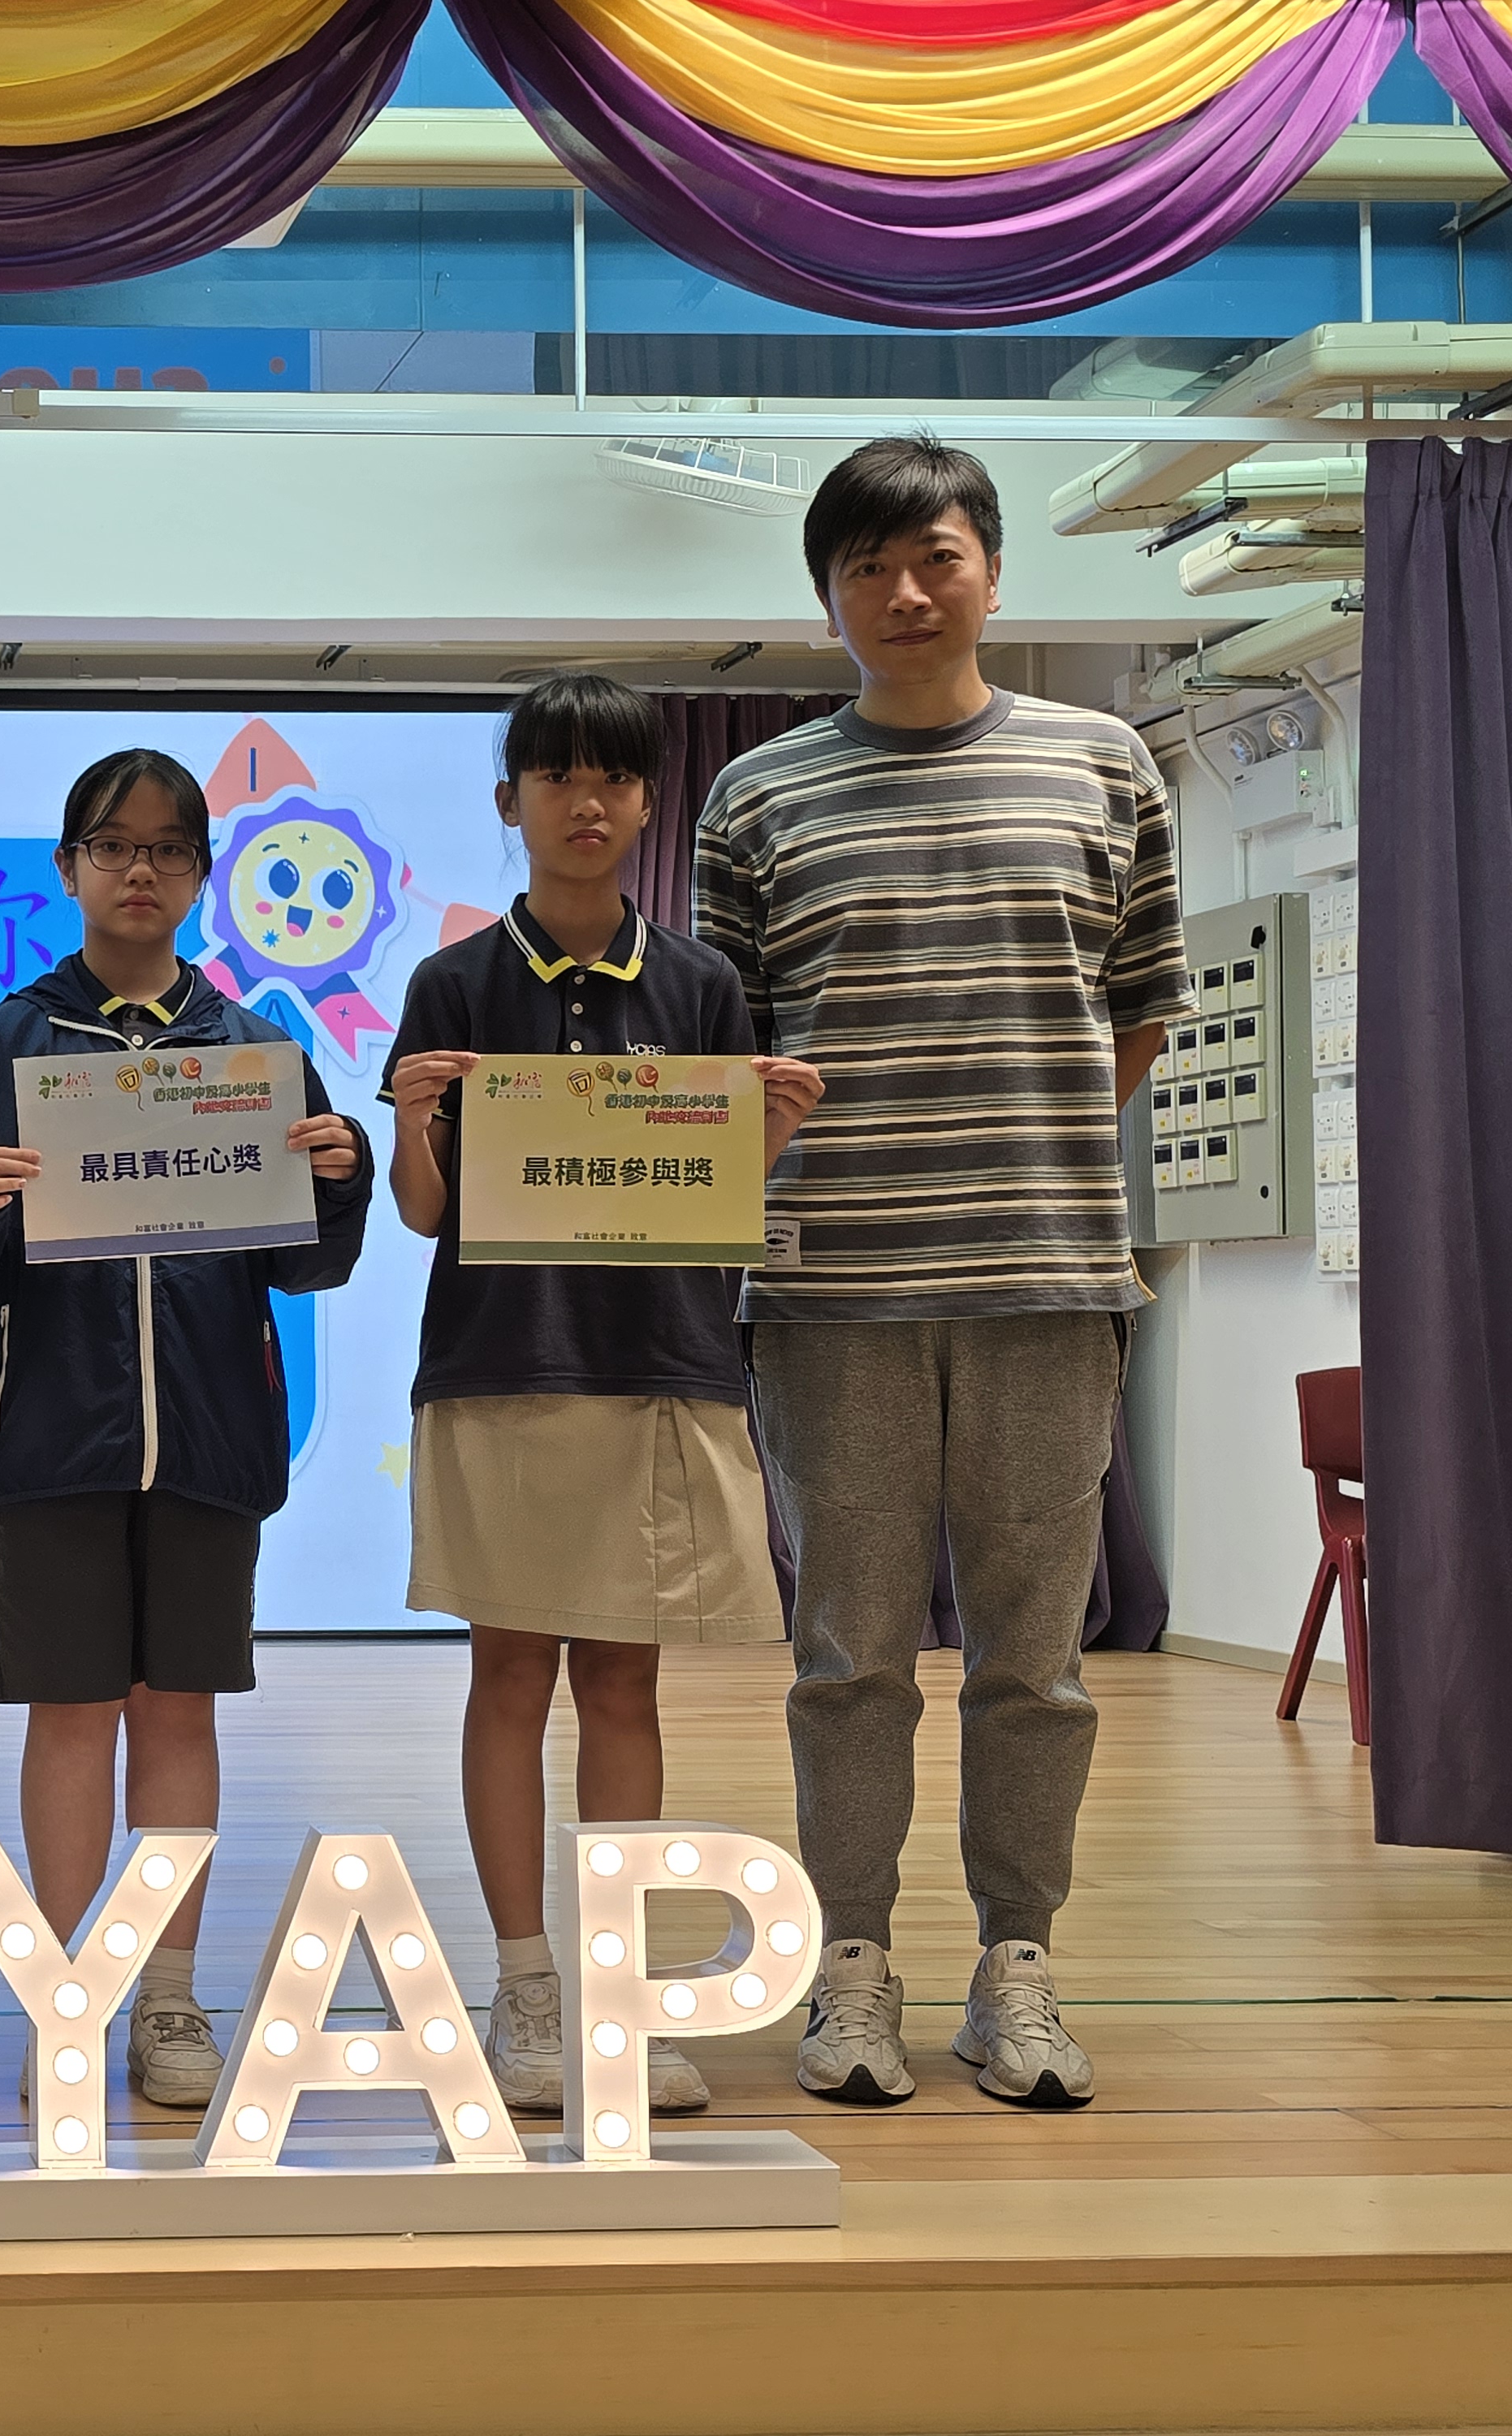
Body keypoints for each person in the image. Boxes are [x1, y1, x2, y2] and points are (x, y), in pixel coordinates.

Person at [696, 435, 1191, 2110]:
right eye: (867, 568)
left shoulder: (1104, 765)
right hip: (825, 1293)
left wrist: (1015, 1149)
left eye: (936, 558)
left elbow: (1136, 1013)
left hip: (1049, 1286)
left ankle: (1015, 1971)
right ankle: (850, 1967)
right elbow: (720, 1058)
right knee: (845, 1657)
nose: (904, 593)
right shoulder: (756, 797)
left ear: (990, 572)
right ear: (825, 596)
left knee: (1033, 1663)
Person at [0, 748, 370, 2108]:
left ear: (202, 873)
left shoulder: (256, 1052)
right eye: (112, 845)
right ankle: (66, 1994)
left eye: (166, 847)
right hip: (45, 1437)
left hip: (210, 1434)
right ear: (69, 868)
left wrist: (341, 1177)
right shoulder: (6, 1043)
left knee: (179, 1712)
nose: (139, 869)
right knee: (70, 1712)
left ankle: (166, 1998)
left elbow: (306, 1265)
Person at [381, 673, 823, 2120]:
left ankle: (618, 1993)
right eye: (557, 776)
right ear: (509, 800)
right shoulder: (454, 981)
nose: (587, 803)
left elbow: (709, 1206)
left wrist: (761, 1137)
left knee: (626, 1681)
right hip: (504, 1365)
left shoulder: (699, 986)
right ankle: (526, 1989)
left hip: (658, 1366)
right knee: (509, 1674)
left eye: (616, 779)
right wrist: (419, 1120)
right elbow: (423, 1212)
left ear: (648, 802)